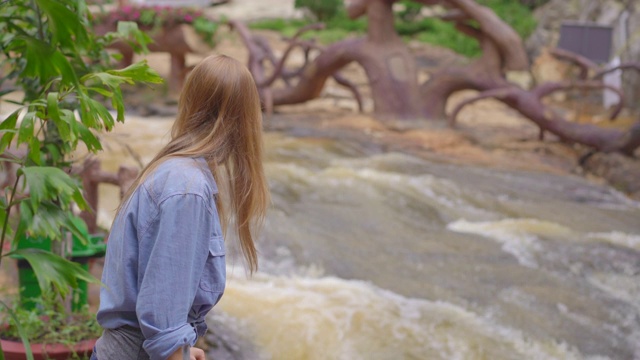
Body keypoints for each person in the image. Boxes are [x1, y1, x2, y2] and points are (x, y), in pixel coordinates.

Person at [92, 55, 269, 360]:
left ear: (190, 104)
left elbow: (156, 298)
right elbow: (162, 316)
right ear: (246, 119)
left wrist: (185, 349)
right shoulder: (189, 189)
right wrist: (174, 351)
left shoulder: (172, 170)